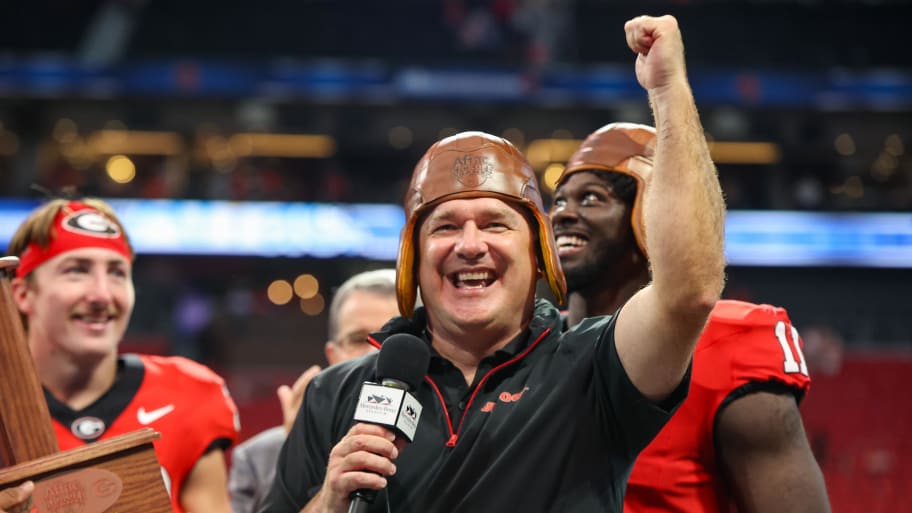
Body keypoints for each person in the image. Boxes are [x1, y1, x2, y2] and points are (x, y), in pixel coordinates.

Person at [261, 14, 726, 513]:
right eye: (444, 227)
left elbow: (688, 293)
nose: (469, 244)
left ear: (539, 251)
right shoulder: (336, 394)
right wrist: (330, 499)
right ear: (413, 259)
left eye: (495, 224)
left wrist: (668, 90)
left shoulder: (594, 368)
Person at [549, 122, 831, 512]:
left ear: (652, 217)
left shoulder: (724, 345)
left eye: (592, 199)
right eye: (559, 201)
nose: (564, 214)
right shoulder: (530, 345)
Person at [7, 198, 240, 513]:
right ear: (22, 294)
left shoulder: (190, 394)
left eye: (117, 272)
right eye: (76, 270)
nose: (102, 295)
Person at [229, 269, 401, 513]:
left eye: (391, 340)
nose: (374, 356)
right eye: (359, 339)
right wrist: (296, 452)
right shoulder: (260, 457)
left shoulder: (443, 437)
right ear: (332, 355)